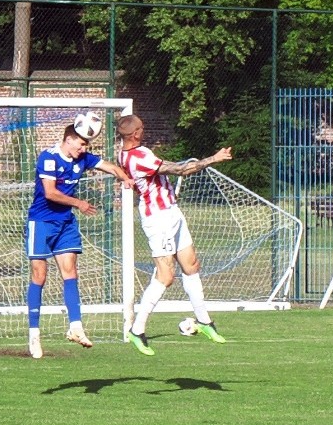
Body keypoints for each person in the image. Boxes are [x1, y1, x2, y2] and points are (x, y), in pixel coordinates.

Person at [116, 114, 232, 355]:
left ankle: (204, 321)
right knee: (165, 276)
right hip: (158, 218)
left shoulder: (126, 153)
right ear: (136, 133)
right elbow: (181, 170)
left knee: (191, 265)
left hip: (171, 212)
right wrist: (214, 158)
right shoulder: (140, 156)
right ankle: (137, 330)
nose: (144, 130)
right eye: (142, 127)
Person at [26, 112, 133, 359]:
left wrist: (126, 179)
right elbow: (51, 193)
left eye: (87, 145)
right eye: (82, 143)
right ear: (70, 139)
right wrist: (79, 203)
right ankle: (34, 333)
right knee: (39, 276)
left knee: (71, 272)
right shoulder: (49, 158)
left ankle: (75, 327)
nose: (85, 149)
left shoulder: (82, 159)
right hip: (41, 222)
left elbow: (111, 167)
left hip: (65, 224)